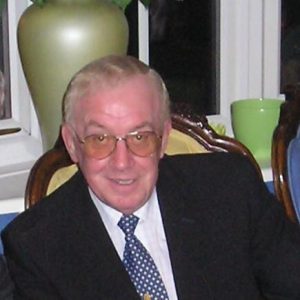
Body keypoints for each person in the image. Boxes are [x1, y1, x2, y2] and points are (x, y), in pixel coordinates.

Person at [2, 55, 300, 300]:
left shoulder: (230, 190)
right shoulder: (37, 244)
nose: (122, 162)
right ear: (71, 144)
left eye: (140, 137)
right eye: (100, 139)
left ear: (164, 137)